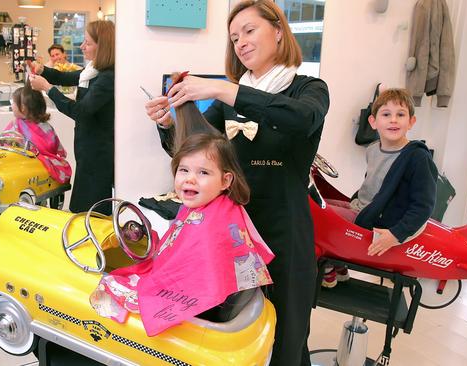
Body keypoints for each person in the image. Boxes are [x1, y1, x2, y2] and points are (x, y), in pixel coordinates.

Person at [144, 1, 329, 364]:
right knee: (238, 333)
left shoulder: (309, 89)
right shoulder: (230, 98)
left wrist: (224, 90)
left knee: (287, 333)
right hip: (232, 231)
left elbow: (301, 119)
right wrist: (167, 122)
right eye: (233, 38)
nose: (240, 42)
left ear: (278, 31)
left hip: (284, 232)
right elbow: (194, 147)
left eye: (248, 30)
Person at [90, 120, 274, 336]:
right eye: (184, 170)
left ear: (226, 181)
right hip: (216, 305)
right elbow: (179, 248)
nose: (190, 179)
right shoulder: (208, 206)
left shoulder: (213, 227)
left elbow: (193, 274)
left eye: (203, 173)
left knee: (105, 287)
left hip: (205, 313)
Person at [322, 88, 438, 287]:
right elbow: (372, 182)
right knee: (321, 203)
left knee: (321, 215)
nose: (393, 120)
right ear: (373, 122)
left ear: (411, 122)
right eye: (386, 114)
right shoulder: (373, 149)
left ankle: (329, 268)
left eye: (400, 115)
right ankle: (339, 265)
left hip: (380, 219)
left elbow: (423, 206)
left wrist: (396, 234)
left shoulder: (418, 158)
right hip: (364, 207)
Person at [29, 20, 114, 215]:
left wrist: (48, 89)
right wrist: (42, 70)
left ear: (103, 46)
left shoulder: (107, 78)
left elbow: (80, 111)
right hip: (87, 147)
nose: (82, 46)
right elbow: (66, 78)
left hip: (98, 152)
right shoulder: (92, 71)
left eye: (87, 43)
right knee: (84, 206)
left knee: (92, 209)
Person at [0, 85, 72, 184]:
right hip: (45, 170)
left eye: (13, 103)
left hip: (25, 168)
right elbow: (58, 149)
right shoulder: (47, 127)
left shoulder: (16, 125)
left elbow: (1, 145)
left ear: (23, 108)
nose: (12, 106)